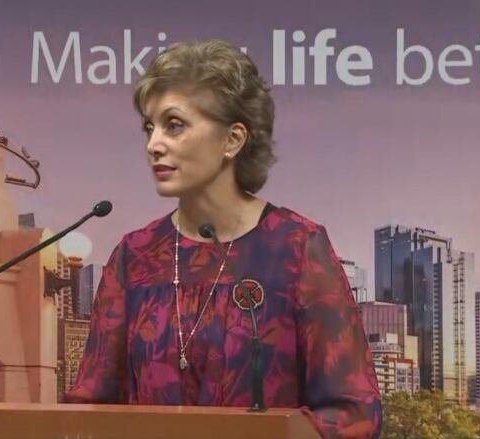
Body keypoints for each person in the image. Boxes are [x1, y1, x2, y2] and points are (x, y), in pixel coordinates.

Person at [65, 39, 382, 438]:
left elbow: (353, 412)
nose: (153, 145)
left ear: (233, 139)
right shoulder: (134, 255)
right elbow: (91, 405)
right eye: (150, 127)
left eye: (174, 125)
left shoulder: (298, 247)